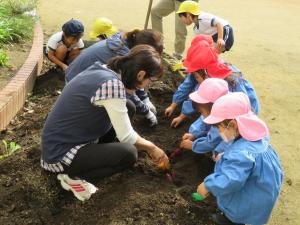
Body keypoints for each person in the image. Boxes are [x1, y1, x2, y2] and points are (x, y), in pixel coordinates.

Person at [41, 45, 170, 201]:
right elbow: (127, 137)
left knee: (129, 107)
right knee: (128, 153)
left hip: (66, 137)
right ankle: (73, 177)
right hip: (60, 153)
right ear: (141, 75)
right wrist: (152, 148)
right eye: (150, 79)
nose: (148, 84)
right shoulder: (112, 86)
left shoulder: (106, 70)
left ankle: (99, 152)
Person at [196, 92, 283, 225]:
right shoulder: (254, 136)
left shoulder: (240, 153)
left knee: (235, 215)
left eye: (218, 127)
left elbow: (231, 180)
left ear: (232, 125)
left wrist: (208, 185)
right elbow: (247, 157)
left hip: (250, 199)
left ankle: (229, 219)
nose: (218, 132)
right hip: (263, 189)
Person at [65, 29, 164, 126]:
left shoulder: (126, 42)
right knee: (127, 105)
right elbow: (126, 88)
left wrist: (144, 98)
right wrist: (146, 111)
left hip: (78, 76)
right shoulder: (121, 56)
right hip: (75, 86)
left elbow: (136, 78)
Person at [165, 35, 259, 128]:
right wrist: (174, 106)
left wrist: (194, 133)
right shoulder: (205, 70)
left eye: (196, 77)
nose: (195, 78)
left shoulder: (224, 86)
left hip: (242, 114)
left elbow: (213, 113)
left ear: (206, 74)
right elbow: (190, 88)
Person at [180, 78, 229, 158]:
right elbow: (204, 121)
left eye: (201, 112)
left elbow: (212, 142)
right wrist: (194, 135)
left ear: (212, 106)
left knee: (218, 154)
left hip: (231, 153)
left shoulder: (224, 122)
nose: (202, 115)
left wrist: (193, 145)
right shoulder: (220, 108)